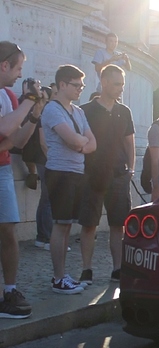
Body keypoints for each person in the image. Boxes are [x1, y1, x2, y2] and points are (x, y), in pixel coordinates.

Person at [41, 64, 96, 294]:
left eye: (82, 85)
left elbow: (92, 143)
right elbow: (72, 139)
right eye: (76, 85)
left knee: (67, 226)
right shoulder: (52, 109)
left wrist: (79, 143)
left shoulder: (79, 112)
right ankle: (58, 278)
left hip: (77, 172)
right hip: (60, 173)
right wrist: (79, 142)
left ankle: (63, 276)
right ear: (62, 84)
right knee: (61, 224)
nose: (80, 89)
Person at [78, 65, 135, 285]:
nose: (121, 88)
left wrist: (130, 168)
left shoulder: (125, 111)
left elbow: (129, 143)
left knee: (118, 224)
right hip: (92, 175)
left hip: (119, 175)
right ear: (104, 82)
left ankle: (118, 269)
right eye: (117, 84)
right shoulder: (86, 111)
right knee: (89, 223)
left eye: (122, 84)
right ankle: (86, 269)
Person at [0, 41, 44, 318]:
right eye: (17, 68)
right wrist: (29, 99)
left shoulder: (8, 97)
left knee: (8, 229)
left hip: (2, 168)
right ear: (4, 65)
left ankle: (10, 291)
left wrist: (35, 113)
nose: (20, 75)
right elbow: (4, 128)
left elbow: (16, 141)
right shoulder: (16, 98)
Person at [20, 85, 53, 249]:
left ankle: (42, 237)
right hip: (45, 159)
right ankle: (46, 238)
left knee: (45, 199)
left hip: (40, 158)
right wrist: (52, 160)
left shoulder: (40, 112)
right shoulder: (43, 113)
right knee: (48, 200)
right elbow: (43, 141)